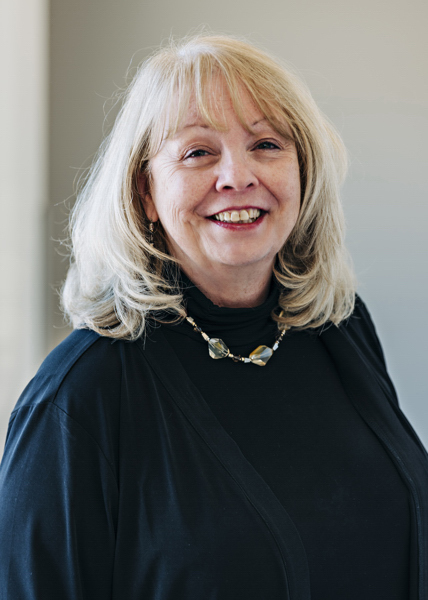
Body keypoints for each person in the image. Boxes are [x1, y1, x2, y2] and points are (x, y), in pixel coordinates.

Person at [0, 34, 427, 600]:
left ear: (303, 172)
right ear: (145, 193)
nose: (238, 176)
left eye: (266, 144)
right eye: (198, 152)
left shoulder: (339, 328)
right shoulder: (79, 395)